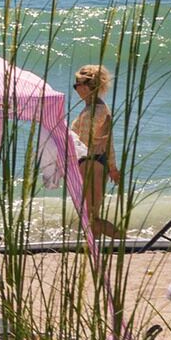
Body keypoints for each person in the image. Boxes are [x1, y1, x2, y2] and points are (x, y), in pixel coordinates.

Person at [71, 66, 120, 240]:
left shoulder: (94, 111)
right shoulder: (96, 108)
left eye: (77, 84)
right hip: (97, 163)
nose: (76, 88)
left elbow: (83, 142)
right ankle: (94, 248)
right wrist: (112, 167)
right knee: (92, 216)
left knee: (91, 217)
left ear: (87, 86)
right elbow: (108, 143)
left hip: (91, 163)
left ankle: (125, 243)